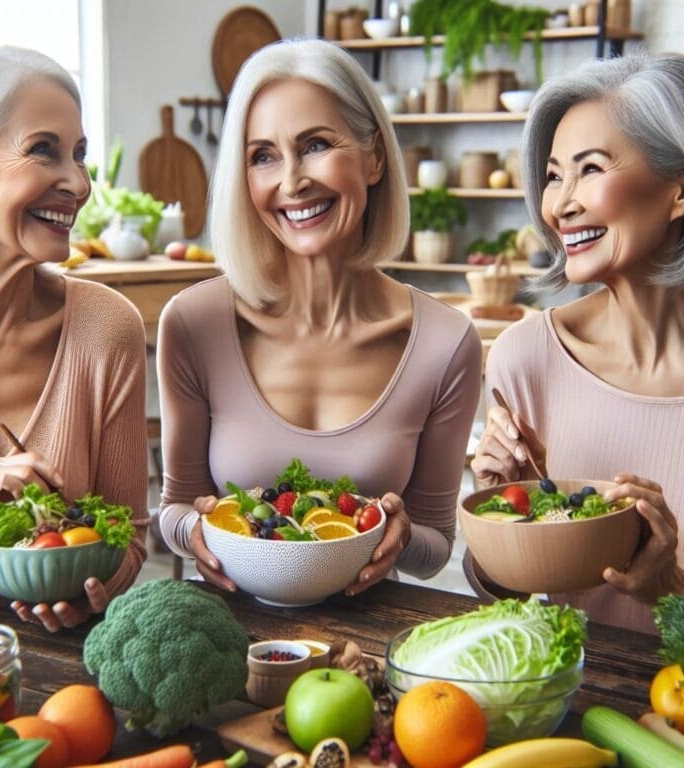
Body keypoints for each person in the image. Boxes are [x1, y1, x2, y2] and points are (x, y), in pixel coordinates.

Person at [156, 38, 482, 594]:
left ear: (375, 157)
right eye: (263, 156)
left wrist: (401, 537)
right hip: (232, 637)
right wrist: (197, 528)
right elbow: (173, 509)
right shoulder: (193, 324)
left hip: (370, 647)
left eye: (315, 145)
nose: (291, 181)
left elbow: (435, 546)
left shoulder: (445, 344)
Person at [0, 44, 148, 631]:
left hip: (61, 697)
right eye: (42, 150)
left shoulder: (106, 330)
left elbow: (131, 540)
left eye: (79, 155)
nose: (77, 182)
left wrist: (91, 591)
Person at [471, 51, 684, 633]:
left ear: (678, 189)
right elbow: (513, 608)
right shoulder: (526, 358)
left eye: (590, 168)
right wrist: (500, 512)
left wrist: (670, 591)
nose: (560, 205)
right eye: (553, 175)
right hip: (562, 710)